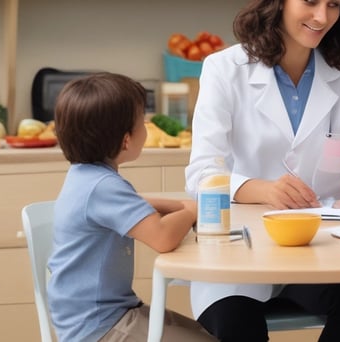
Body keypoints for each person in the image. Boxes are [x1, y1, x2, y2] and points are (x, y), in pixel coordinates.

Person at [185, 0, 340, 340]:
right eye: (310, 2)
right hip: (241, 252)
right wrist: (264, 190)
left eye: (333, 5)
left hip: (321, 248)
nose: (322, 17)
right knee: (236, 323)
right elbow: (201, 173)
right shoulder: (224, 68)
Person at [47, 72, 215, 342]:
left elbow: (136, 204)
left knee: (205, 334)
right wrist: (193, 211)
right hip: (99, 326)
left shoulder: (87, 177)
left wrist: (179, 206)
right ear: (126, 140)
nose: (146, 127)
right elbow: (162, 237)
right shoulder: (104, 186)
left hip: (99, 315)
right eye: (143, 122)